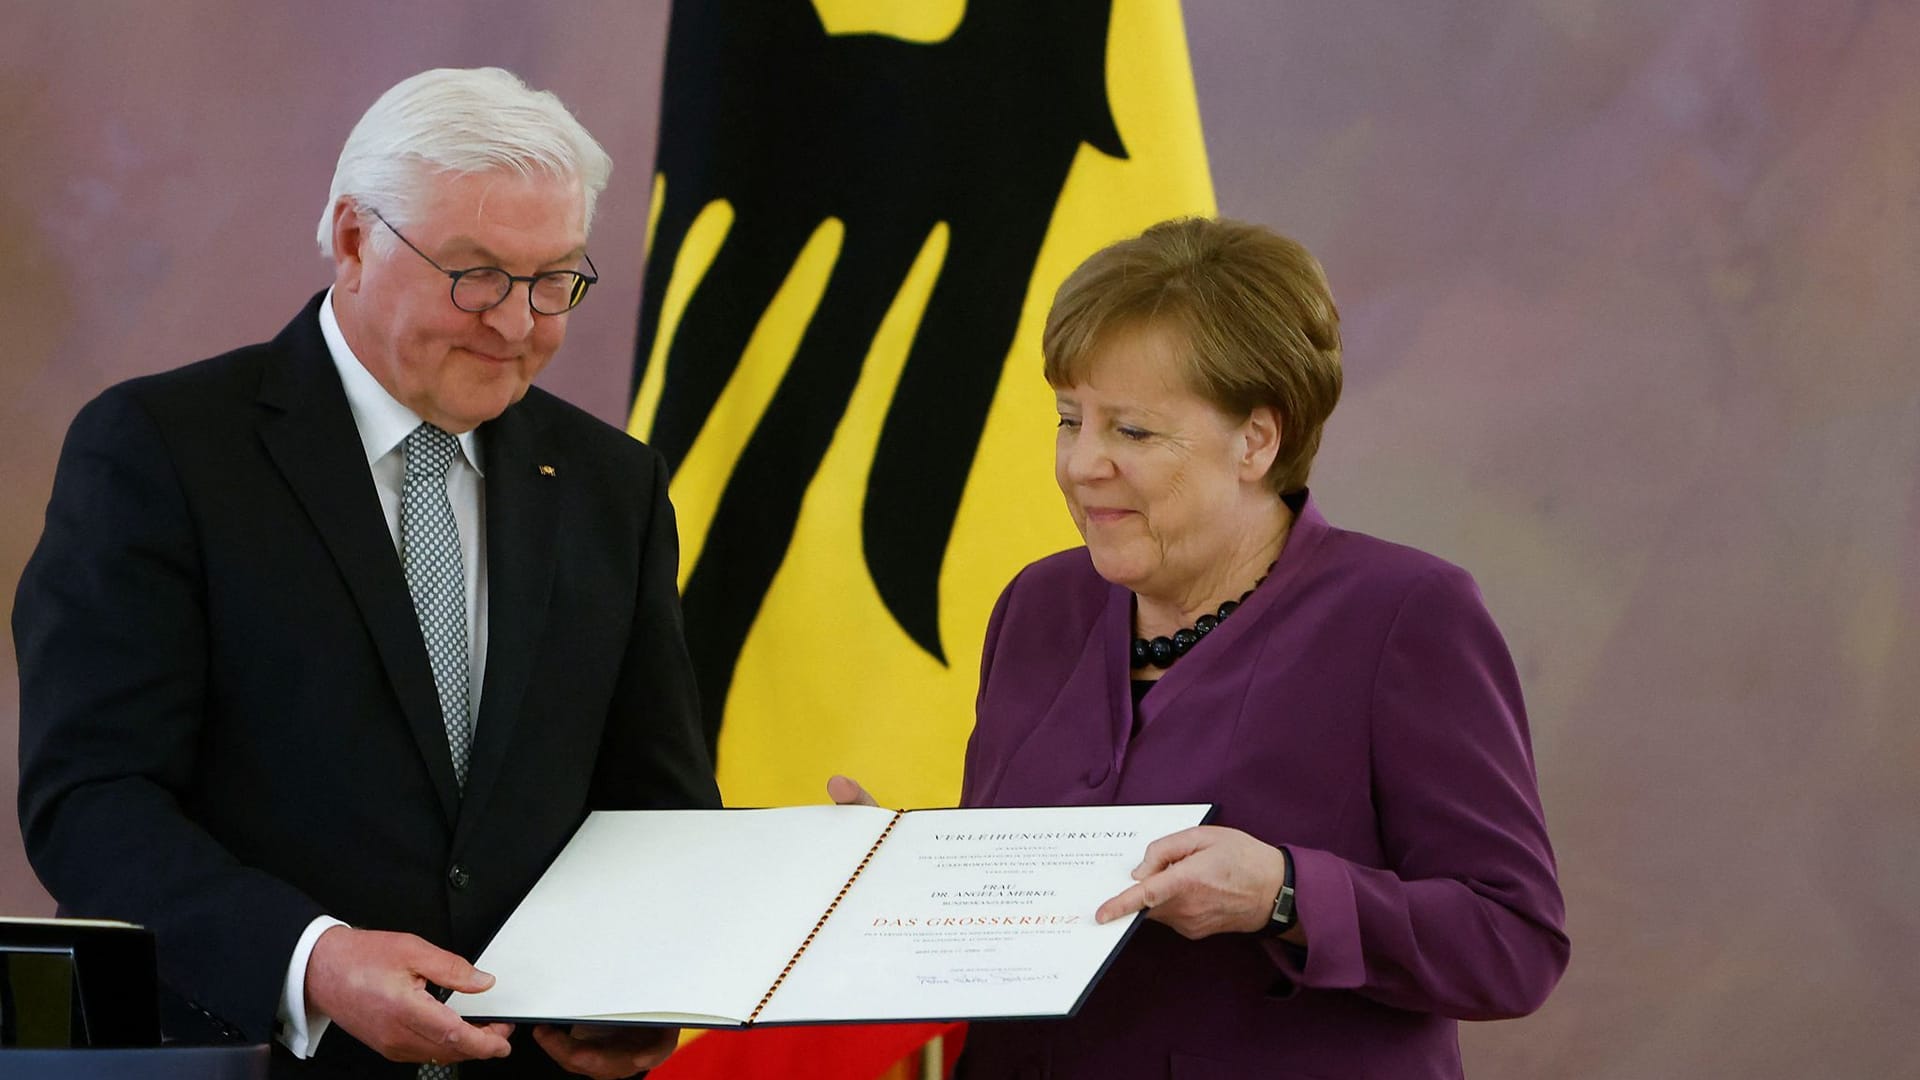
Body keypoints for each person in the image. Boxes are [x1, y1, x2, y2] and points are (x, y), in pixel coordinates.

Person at [14, 68, 719, 1078]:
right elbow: (91, 799)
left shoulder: (615, 482)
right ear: (353, 240)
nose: (517, 324)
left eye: (555, 279)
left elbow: (654, 805)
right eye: (475, 274)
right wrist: (312, 962)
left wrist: (650, 984)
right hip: (250, 1053)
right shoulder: (164, 452)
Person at [831, 217, 1568, 1078]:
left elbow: (1513, 944)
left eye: (1132, 432)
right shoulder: (1040, 604)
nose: (1080, 464)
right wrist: (905, 882)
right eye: (1071, 420)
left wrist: (1285, 894)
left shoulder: (1406, 614)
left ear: (1258, 439)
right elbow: (1026, 907)